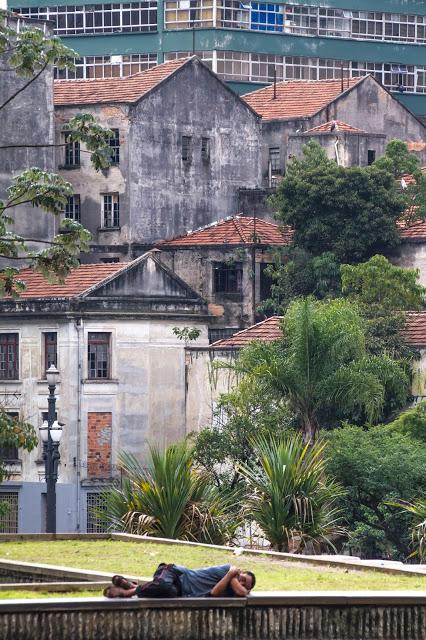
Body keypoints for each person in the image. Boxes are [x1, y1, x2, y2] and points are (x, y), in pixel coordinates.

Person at [104, 563, 256, 599]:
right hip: (175, 573)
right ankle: (128, 592)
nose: (240, 583)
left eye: (245, 585)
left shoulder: (229, 585)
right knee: (163, 585)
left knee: (168, 592)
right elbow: (241, 591)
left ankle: (131, 586)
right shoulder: (228, 569)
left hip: (179, 590)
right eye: (242, 578)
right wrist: (231, 573)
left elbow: (215, 592)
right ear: (239, 571)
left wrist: (231, 577)